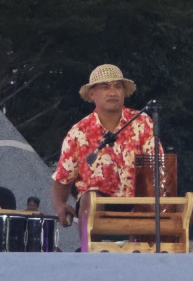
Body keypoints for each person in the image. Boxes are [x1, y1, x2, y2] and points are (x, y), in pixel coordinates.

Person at [52, 64, 158, 228]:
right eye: (105, 87)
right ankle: (90, 253)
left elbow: (155, 168)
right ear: (92, 93)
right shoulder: (78, 132)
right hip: (96, 204)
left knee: (179, 209)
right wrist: (60, 205)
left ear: (124, 92)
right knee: (90, 198)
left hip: (137, 200)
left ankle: (140, 250)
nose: (112, 92)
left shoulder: (142, 122)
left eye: (117, 86)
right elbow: (63, 177)